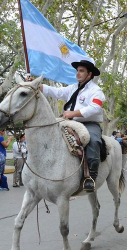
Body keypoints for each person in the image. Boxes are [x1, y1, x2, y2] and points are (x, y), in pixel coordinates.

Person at [38, 59, 103, 192]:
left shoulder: (96, 90)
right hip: (70, 122)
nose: (78, 73)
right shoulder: (73, 88)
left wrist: (74, 113)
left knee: (94, 141)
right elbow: (57, 92)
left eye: (81, 71)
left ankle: (90, 176)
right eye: (77, 70)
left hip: (89, 124)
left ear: (89, 74)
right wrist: (39, 86)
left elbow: (95, 107)